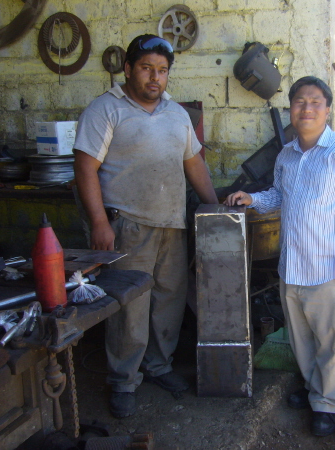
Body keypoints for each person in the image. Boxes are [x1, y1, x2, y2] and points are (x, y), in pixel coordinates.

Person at [73, 34, 218, 418]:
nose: (155, 78)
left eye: (162, 70)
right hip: (127, 225)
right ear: (128, 69)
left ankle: (158, 366)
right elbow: (85, 168)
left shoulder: (177, 114)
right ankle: (124, 380)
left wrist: (216, 209)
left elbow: (194, 164)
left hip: (172, 224)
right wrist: (99, 222)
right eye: (146, 68)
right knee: (129, 307)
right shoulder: (105, 110)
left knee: (168, 299)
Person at [225, 76, 335, 436]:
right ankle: (312, 388)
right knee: (302, 338)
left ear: (328, 109)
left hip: (329, 265)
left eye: (315, 102)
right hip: (292, 264)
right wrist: (252, 198)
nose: (307, 108)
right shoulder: (287, 155)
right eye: (299, 102)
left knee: (333, 339)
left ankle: (327, 403)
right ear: (291, 109)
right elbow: (279, 195)